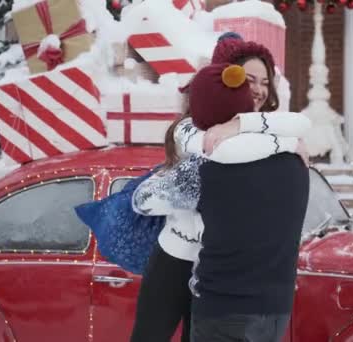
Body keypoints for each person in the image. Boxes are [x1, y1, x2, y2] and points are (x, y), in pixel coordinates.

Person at [129, 37, 311, 342]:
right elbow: (213, 153)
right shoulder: (196, 128)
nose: (259, 89)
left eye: (265, 81)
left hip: (220, 269)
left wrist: (261, 131)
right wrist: (285, 141)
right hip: (179, 254)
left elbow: (297, 124)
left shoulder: (266, 130)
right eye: (249, 79)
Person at [188, 64, 310, 342]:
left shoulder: (206, 166)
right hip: (275, 309)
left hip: (221, 308)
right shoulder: (295, 158)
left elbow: (146, 201)